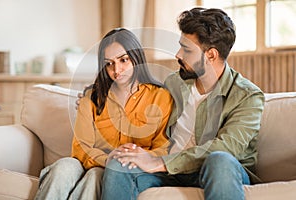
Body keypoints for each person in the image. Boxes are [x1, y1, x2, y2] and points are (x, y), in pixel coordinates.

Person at [101, 7, 265, 200]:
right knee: (119, 164)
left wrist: (161, 163)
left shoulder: (248, 96)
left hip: (214, 172)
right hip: (170, 174)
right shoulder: (174, 82)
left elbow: (227, 147)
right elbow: (140, 99)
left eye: (186, 49)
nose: (178, 54)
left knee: (220, 160)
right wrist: (98, 98)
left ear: (211, 55)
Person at [34, 28, 173, 200]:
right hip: (93, 163)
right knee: (64, 166)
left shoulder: (160, 97)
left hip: (129, 168)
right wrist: (106, 159)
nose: (117, 70)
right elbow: (80, 148)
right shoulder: (92, 98)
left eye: (123, 60)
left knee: (96, 176)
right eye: (109, 63)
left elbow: (164, 148)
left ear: (136, 58)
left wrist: (132, 156)